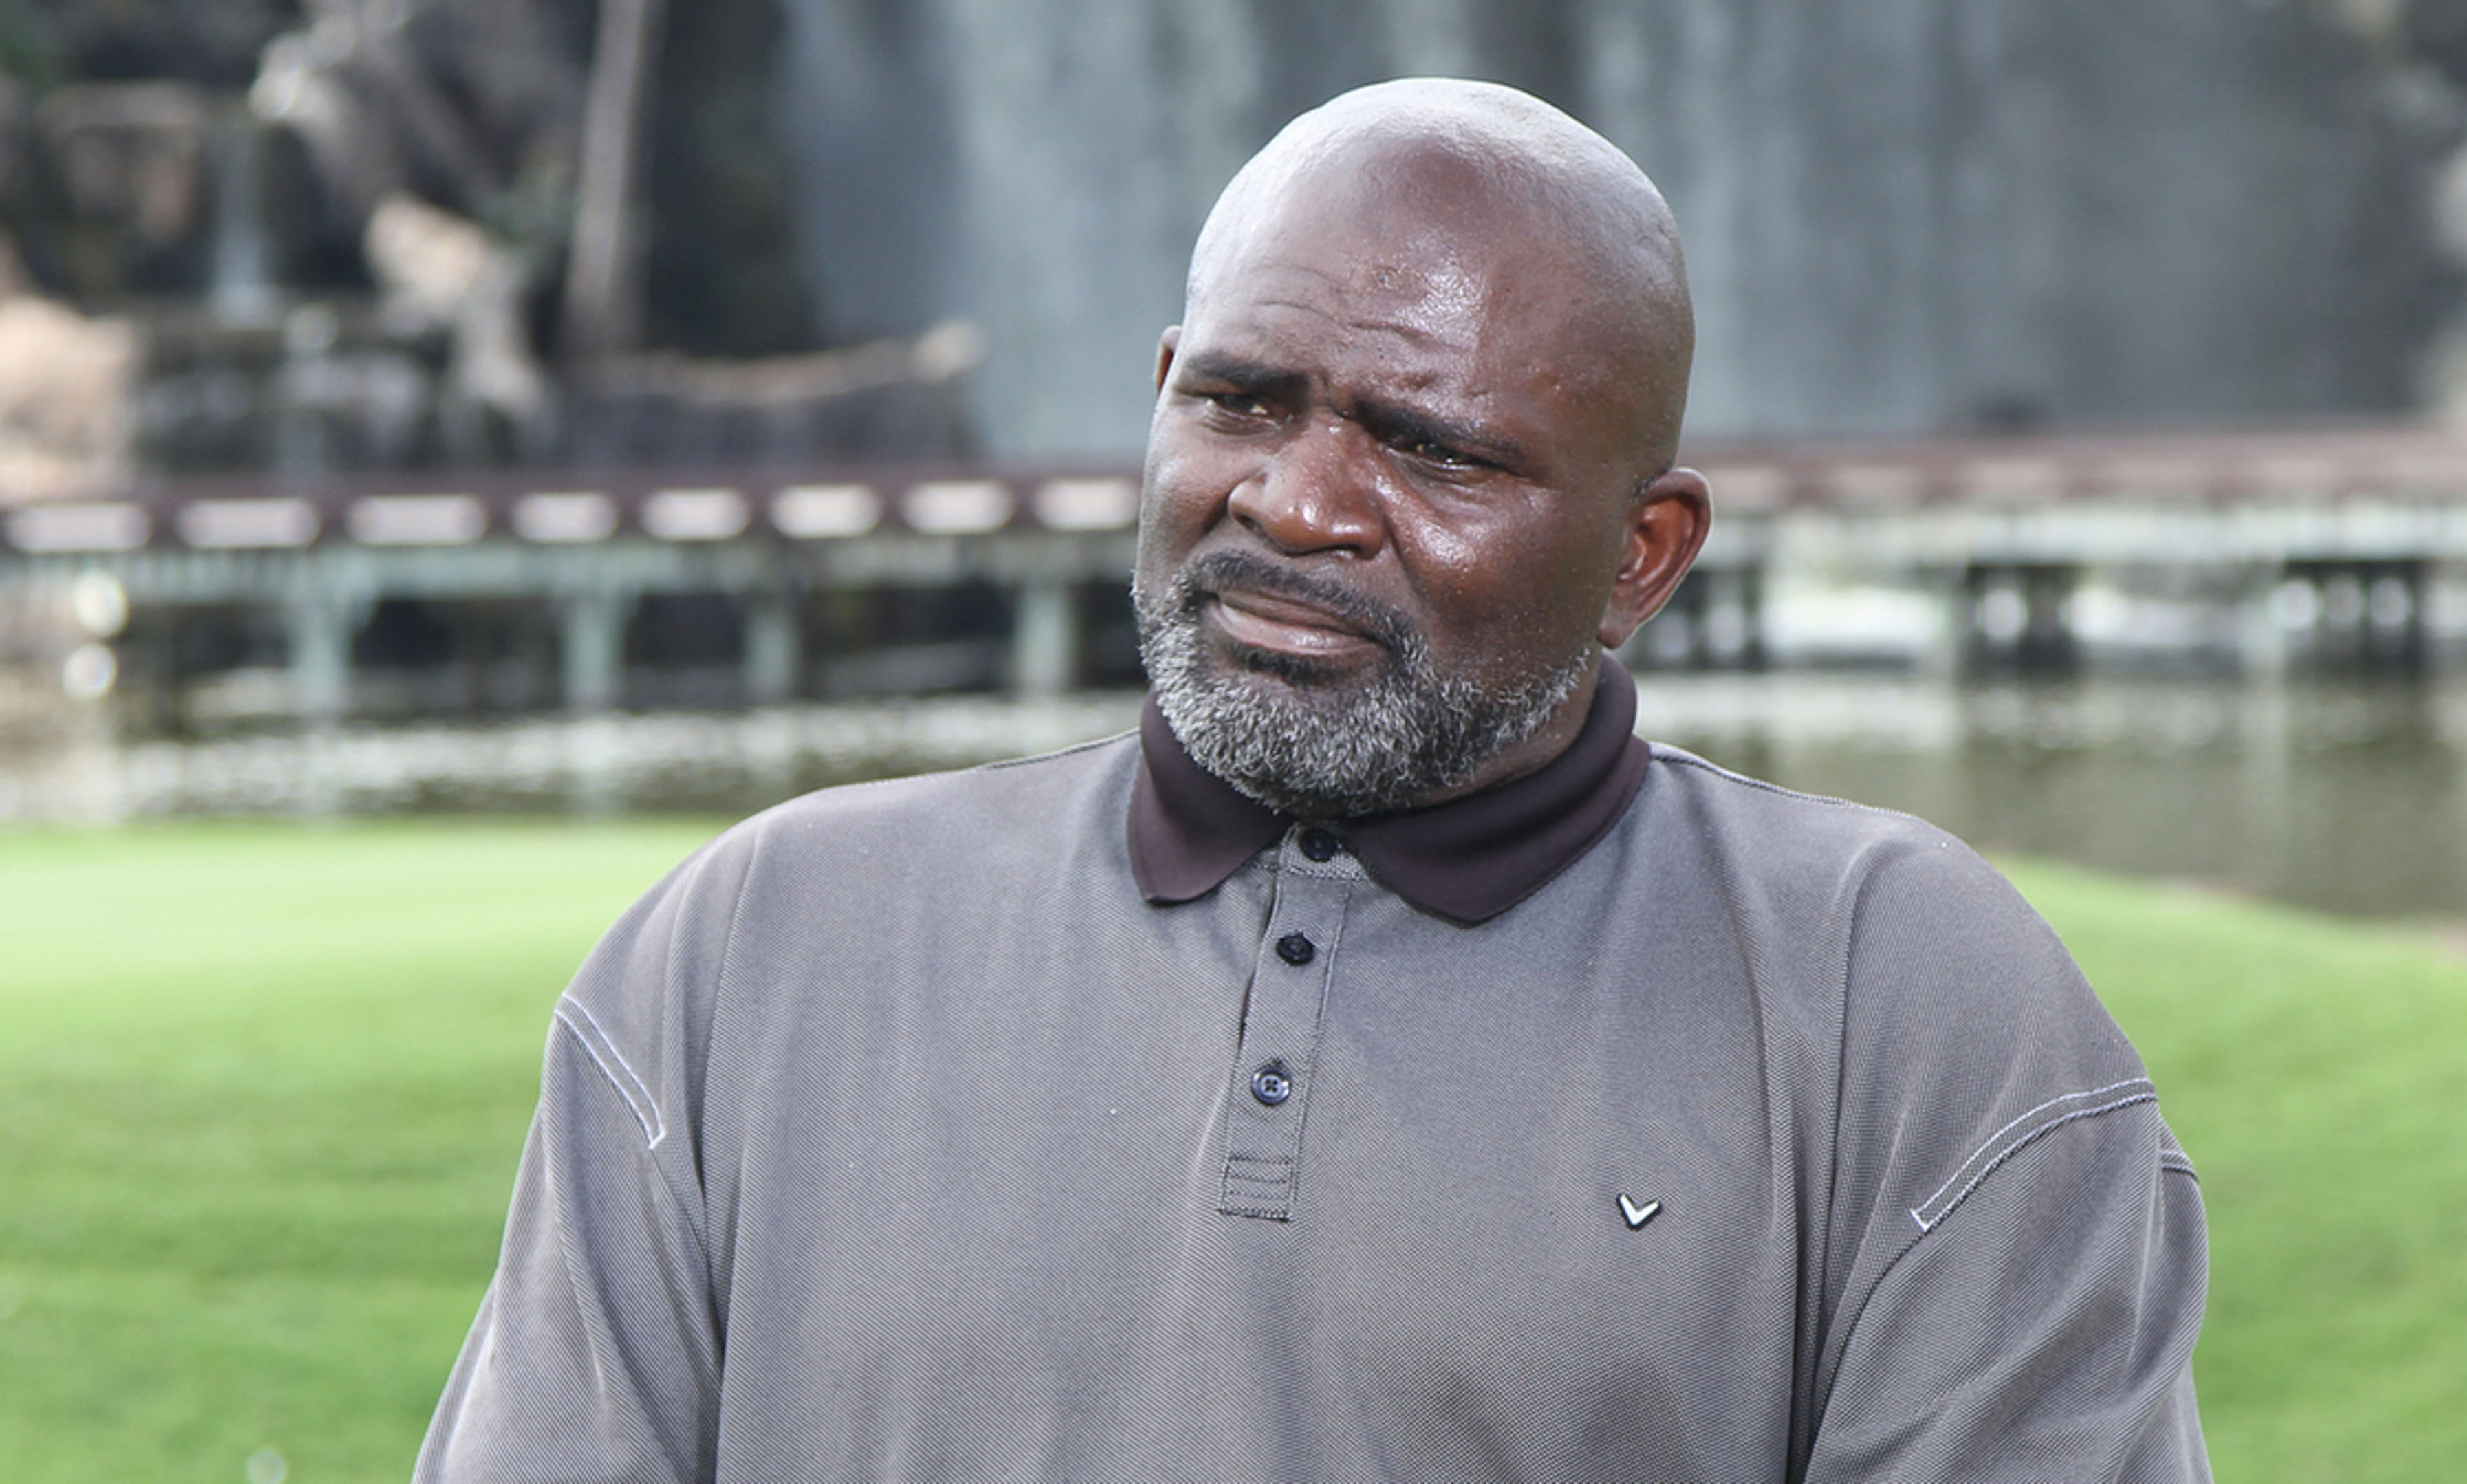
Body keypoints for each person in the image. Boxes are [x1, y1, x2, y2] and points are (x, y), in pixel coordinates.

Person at [419, 78, 2210, 1481]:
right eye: (1244, 400)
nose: (1299, 503)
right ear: (1158, 396)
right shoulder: (753, 957)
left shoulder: (1909, 1013)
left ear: (1642, 557)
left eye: (1432, 448)